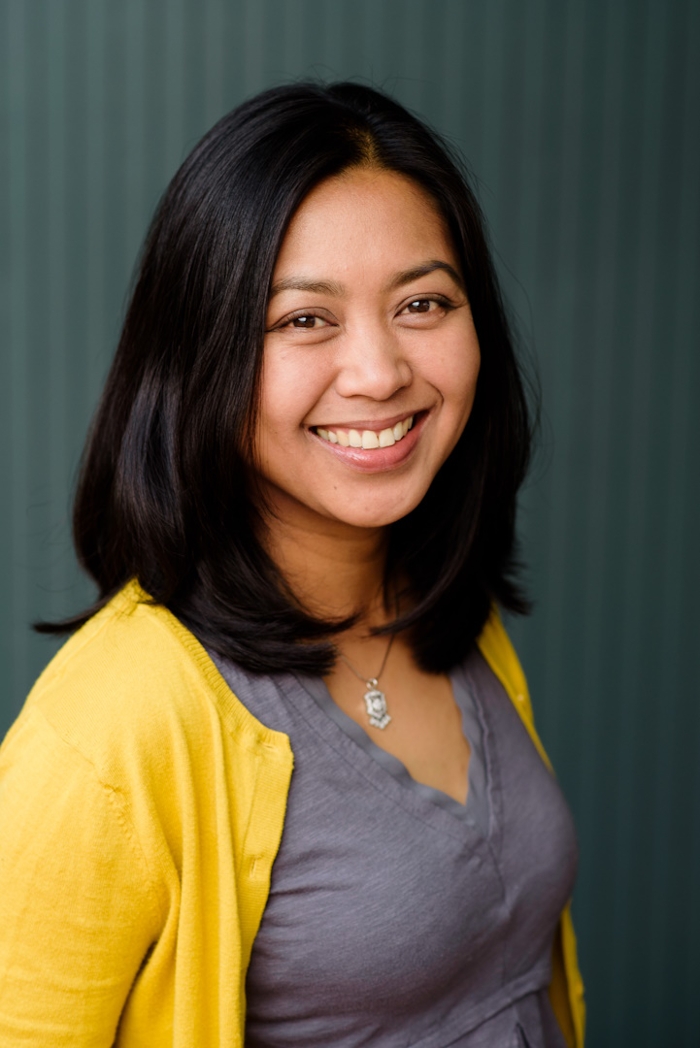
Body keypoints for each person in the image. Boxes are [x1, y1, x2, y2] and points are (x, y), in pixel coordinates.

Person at [0, 82, 584, 1047]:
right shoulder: (108, 732)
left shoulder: (451, 609)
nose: (380, 372)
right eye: (305, 320)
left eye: (423, 303)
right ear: (200, 356)